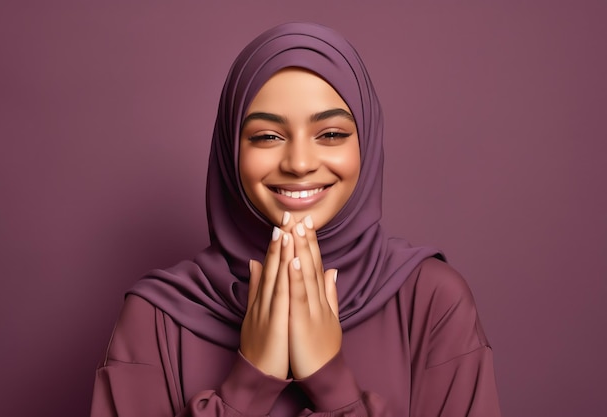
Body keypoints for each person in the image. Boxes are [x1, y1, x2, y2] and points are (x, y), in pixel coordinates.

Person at [90, 22, 501, 417]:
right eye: (268, 137)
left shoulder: (432, 303)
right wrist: (248, 384)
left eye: (332, 134)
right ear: (231, 149)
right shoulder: (156, 318)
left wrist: (331, 383)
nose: (300, 164)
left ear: (368, 142)